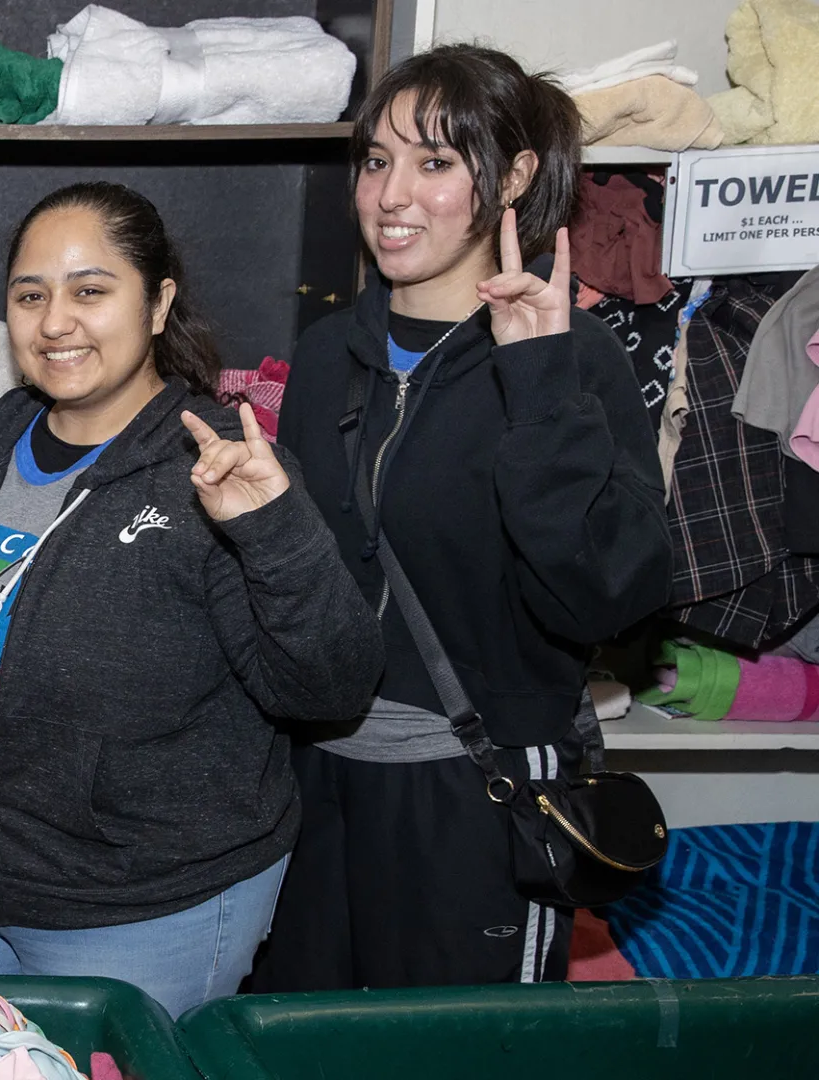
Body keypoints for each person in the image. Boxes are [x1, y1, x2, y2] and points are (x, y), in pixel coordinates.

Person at [0, 181, 383, 1019]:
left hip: (143, 909)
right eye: (30, 296)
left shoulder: (217, 464)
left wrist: (275, 532)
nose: (55, 322)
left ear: (158, 304)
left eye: (90, 291)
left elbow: (331, 688)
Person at [254, 45, 673, 991]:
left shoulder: (573, 359)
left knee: (455, 1048)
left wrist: (538, 384)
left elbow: (608, 597)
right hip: (315, 783)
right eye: (376, 161)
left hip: (477, 789)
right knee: (299, 1045)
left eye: (435, 162)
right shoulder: (327, 354)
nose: (391, 195)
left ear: (514, 177)